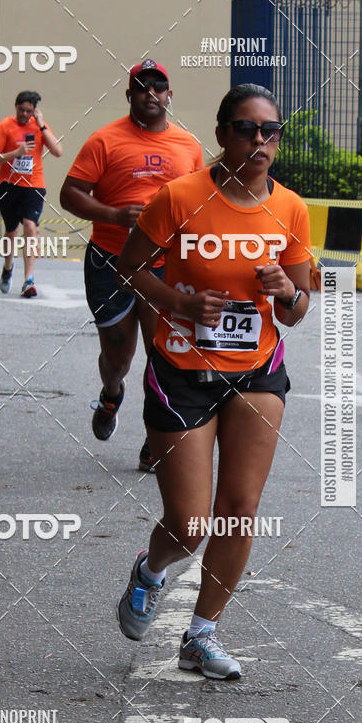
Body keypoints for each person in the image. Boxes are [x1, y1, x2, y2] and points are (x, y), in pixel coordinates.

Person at [115, 84, 311, 679]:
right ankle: (151, 570)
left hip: (256, 370)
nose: (260, 141)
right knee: (190, 523)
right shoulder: (178, 198)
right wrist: (178, 300)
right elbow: (129, 267)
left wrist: (288, 293)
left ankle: (201, 633)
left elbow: (298, 309)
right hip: (182, 372)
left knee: (239, 510)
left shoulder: (291, 208)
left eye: (270, 131)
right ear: (222, 134)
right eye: (247, 129)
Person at [60, 60, 203, 471]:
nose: (151, 93)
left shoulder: (187, 145)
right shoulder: (104, 141)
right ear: (129, 96)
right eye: (142, 87)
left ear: (169, 95)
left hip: (165, 264)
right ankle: (110, 393)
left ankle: (153, 438)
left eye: (159, 87)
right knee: (119, 355)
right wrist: (112, 214)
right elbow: (70, 194)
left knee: (162, 354)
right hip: (111, 260)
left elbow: (199, 202)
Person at [0, 90, 62, 297]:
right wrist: (15, 153)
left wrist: (41, 124)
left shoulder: (39, 126)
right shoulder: (6, 125)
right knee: (11, 232)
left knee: (30, 226)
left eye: (29, 111)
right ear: (16, 106)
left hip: (33, 185)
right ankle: (8, 266)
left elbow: (58, 151)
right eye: (21, 110)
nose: (24, 114)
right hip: (9, 186)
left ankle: (28, 279)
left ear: (34, 111)